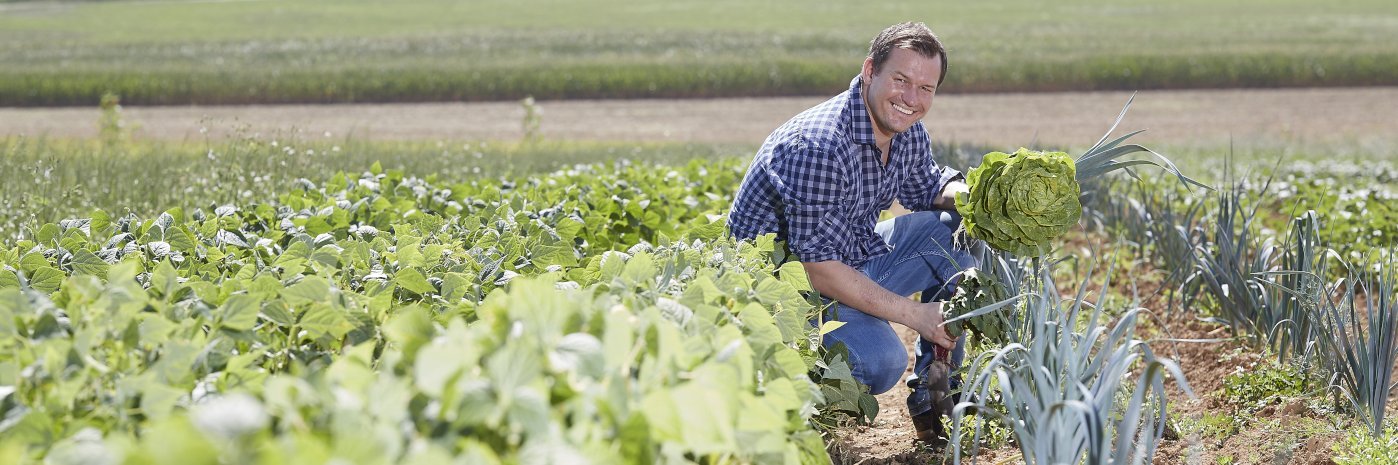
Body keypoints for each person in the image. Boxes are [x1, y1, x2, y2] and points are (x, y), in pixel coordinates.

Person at [727, 21, 975, 443]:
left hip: (847, 258)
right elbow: (817, 269)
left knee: (953, 231)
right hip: (785, 297)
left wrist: (982, 196)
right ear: (869, 71)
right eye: (900, 80)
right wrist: (917, 315)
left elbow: (929, 186)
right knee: (881, 361)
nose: (911, 99)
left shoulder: (906, 130)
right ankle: (785, 401)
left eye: (925, 88)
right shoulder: (819, 146)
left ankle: (934, 395)